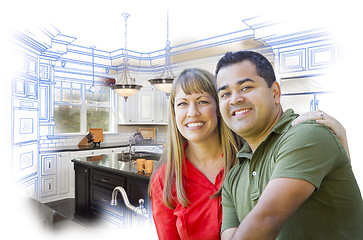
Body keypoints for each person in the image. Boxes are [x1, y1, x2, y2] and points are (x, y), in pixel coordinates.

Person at [148, 67, 351, 240]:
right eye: (182, 103)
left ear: (219, 107)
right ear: (174, 113)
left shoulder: (252, 155)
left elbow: (324, 200)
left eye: (202, 101)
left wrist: (339, 140)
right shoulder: (164, 179)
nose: (192, 112)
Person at [215, 50, 363, 240]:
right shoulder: (233, 178)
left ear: (275, 92)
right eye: (225, 93)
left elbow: (267, 219)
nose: (235, 99)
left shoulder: (307, 133)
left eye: (246, 87)